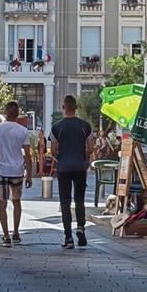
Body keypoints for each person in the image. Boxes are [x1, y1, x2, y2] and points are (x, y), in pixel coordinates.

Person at [51, 95, 95, 249]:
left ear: (64, 107)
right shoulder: (85, 126)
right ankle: (81, 228)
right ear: (76, 107)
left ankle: (68, 236)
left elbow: (53, 150)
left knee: (65, 202)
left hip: (63, 167)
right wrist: (85, 157)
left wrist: (61, 158)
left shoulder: (56, 127)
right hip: (80, 167)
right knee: (79, 199)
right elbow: (90, 148)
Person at [0, 101, 33, 246]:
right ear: (17, 113)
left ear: (5, 112)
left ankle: (6, 236)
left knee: (2, 203)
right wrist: (29, 175)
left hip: (1, 170)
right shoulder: (22, 131)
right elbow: (28, 154)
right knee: (17, 201)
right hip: (17, 171)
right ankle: (16, 233)